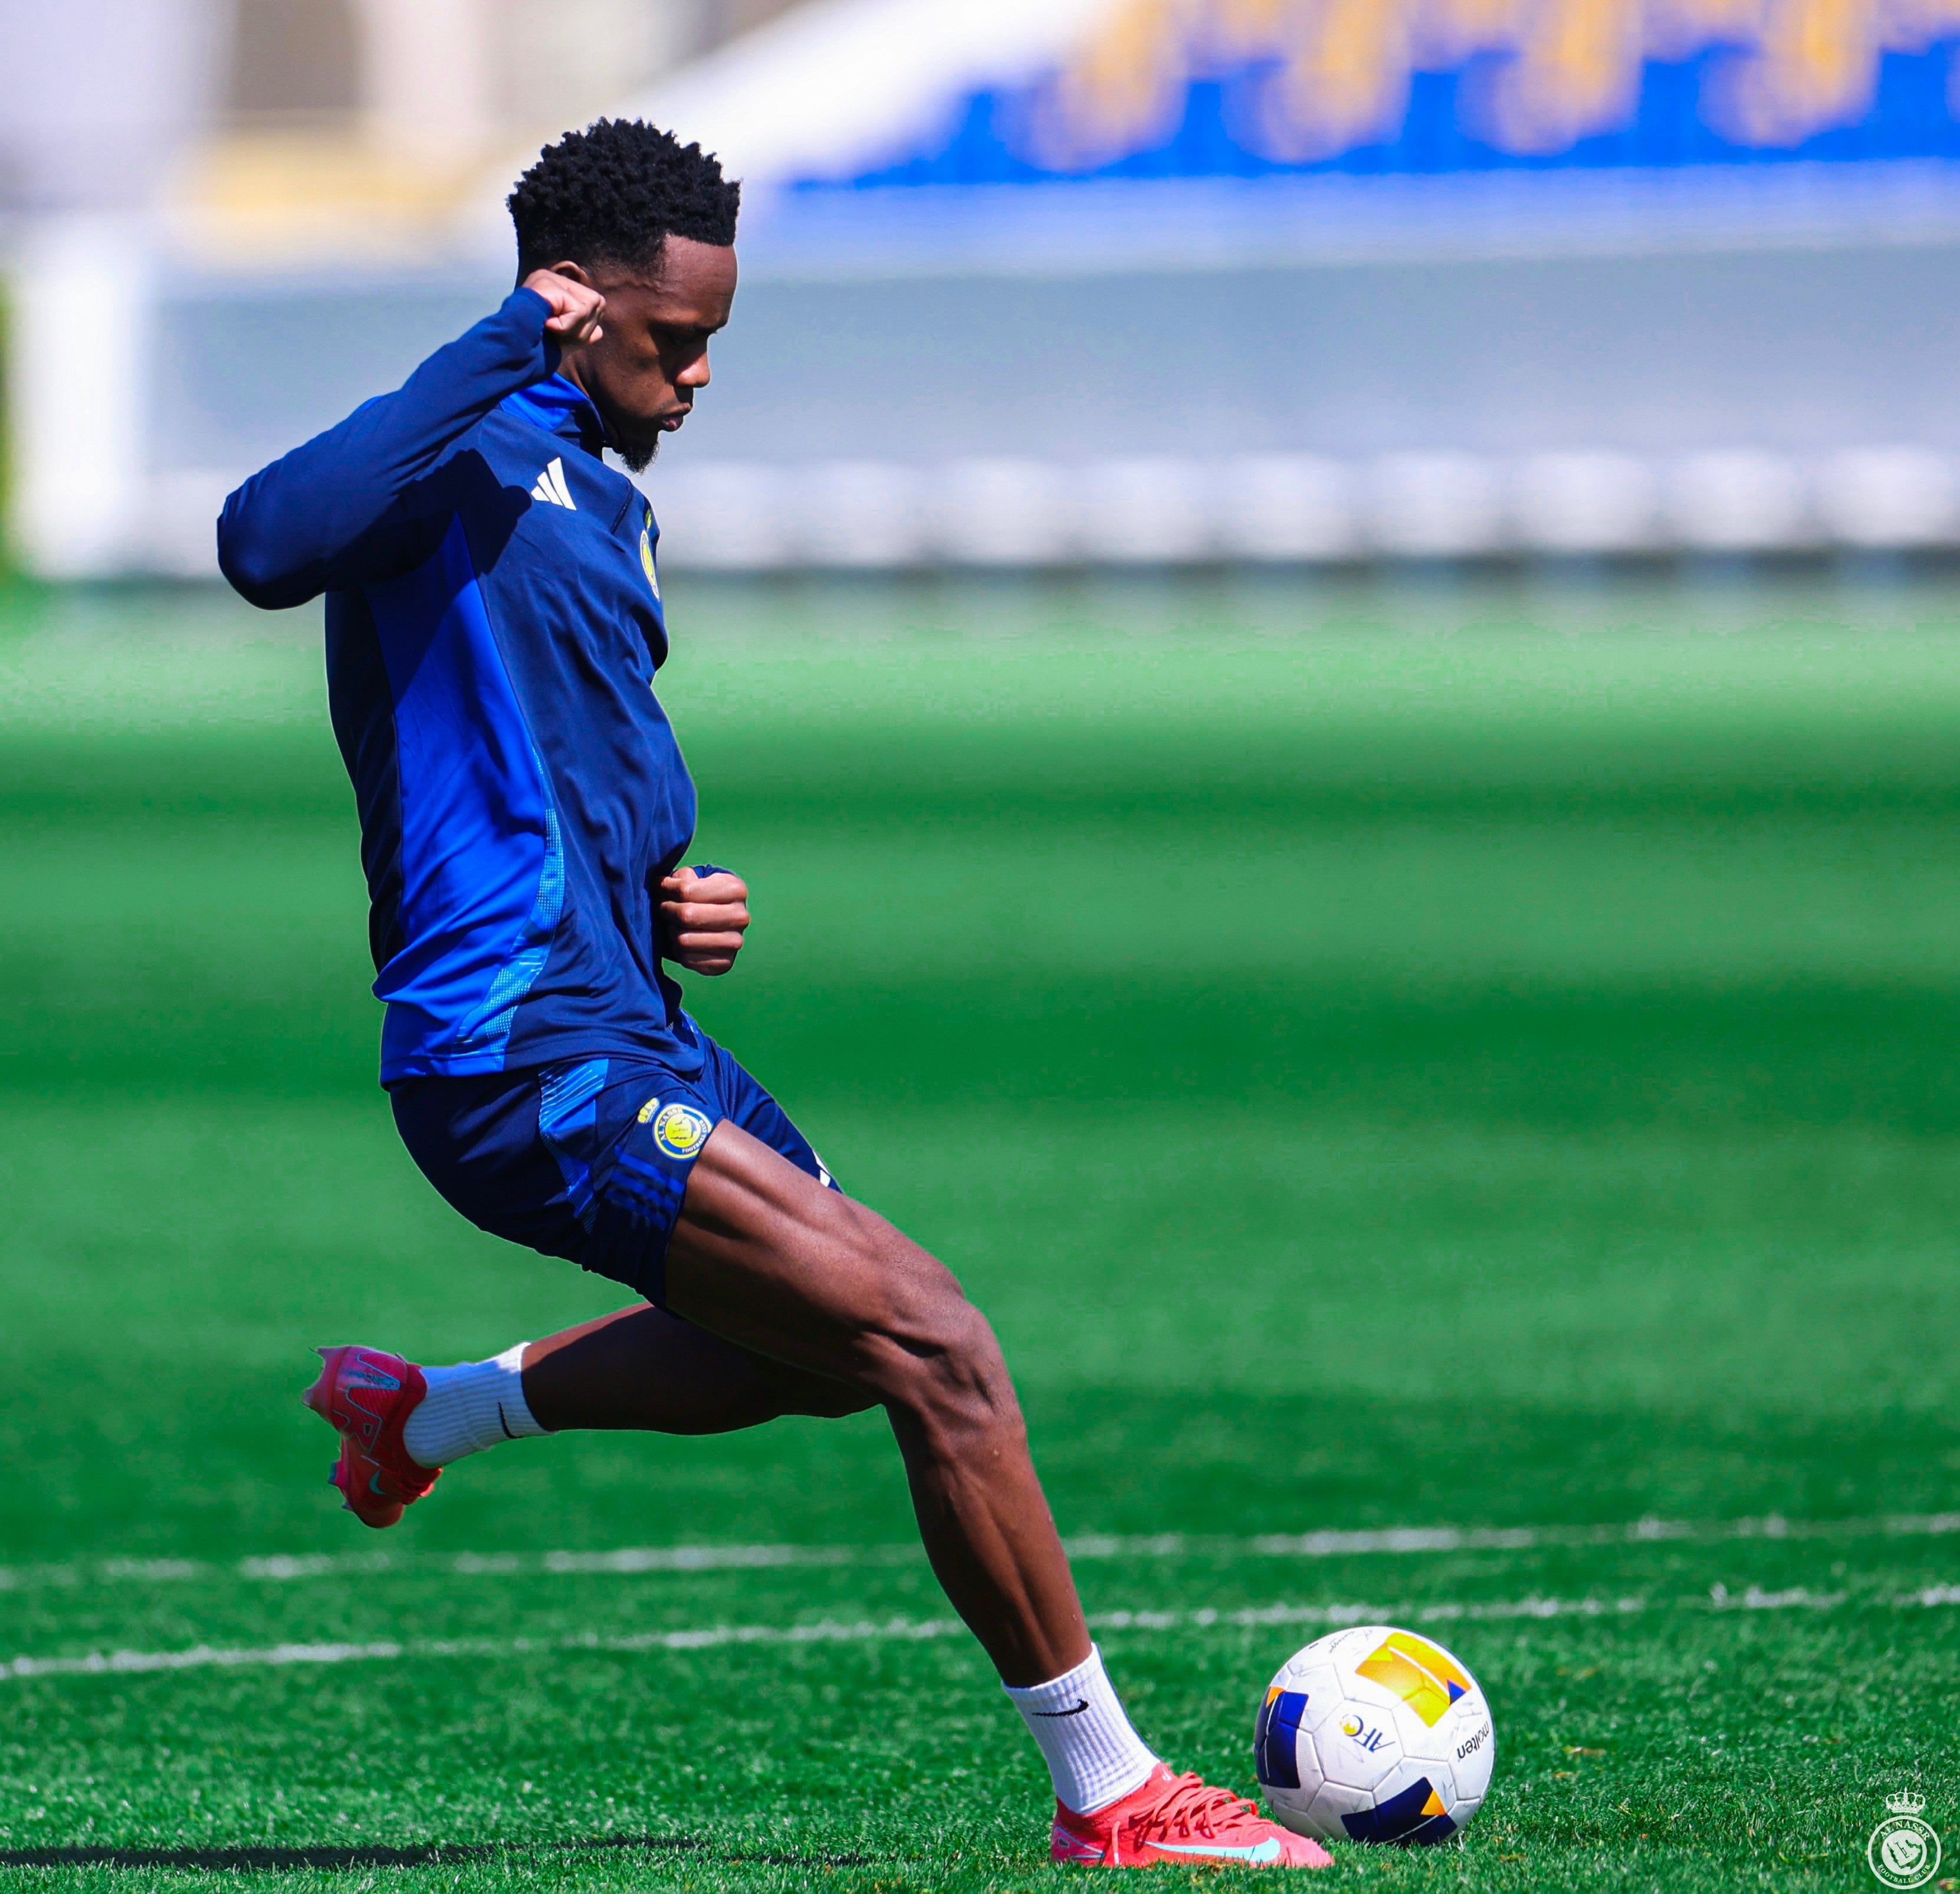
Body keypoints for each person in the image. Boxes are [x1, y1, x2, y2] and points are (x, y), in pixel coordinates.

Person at [217, 119, 1328, 1872]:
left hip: (621, 1014)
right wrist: (513, 335)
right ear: (573, 312)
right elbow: (265, 540)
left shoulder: (595, 483)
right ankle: (1111, 1792)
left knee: (809, 1356)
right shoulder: (459, 447)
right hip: (518, 1052)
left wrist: (668, 886)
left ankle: (423, 1410)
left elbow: (561, 756)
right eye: (672, 337)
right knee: (936, 1344)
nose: (703, 370)